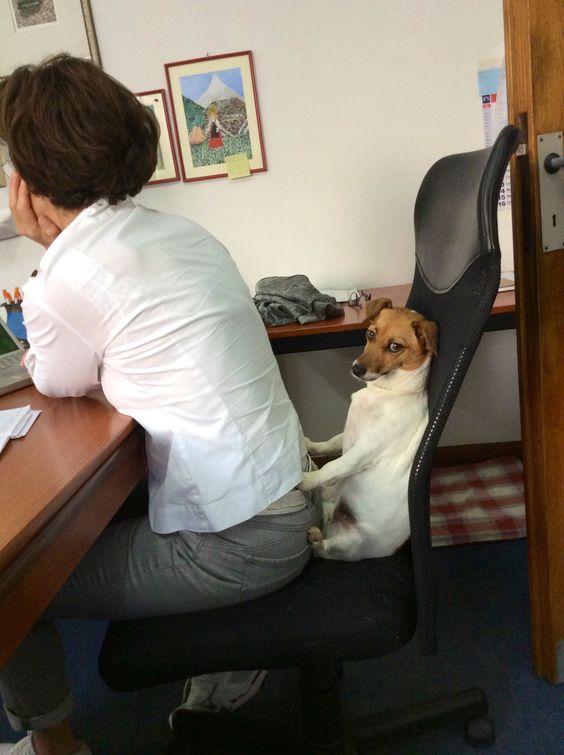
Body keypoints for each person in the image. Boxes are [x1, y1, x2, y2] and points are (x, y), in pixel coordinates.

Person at [0, 55, 319, 755]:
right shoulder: (180, 233)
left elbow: (54, 378)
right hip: (295, 496)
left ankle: (54, 744)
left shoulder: (66, 275)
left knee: (9, 586)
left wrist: (48, 252)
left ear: (28, 179)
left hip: (243, 545)